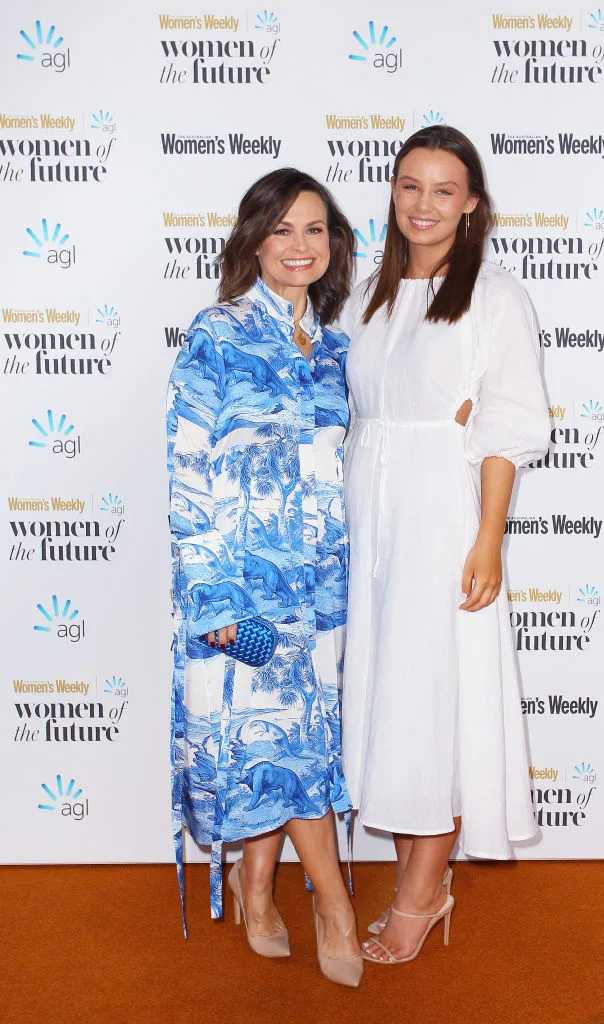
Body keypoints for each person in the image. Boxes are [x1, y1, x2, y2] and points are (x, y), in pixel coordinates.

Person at [339, 126, 550, 965]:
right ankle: (419, 885)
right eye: (406, 186)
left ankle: (420, 897)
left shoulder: (493, 296)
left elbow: (507, 423)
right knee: (394, 702)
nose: (421, 204)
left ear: (470, 203)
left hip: (442, 516)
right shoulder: (366, 293)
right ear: (391, 193)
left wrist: (488, 538)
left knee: (435, 701)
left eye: (441, 189)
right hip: (369, 514)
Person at [167, 168, 362, 987]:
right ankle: (335, 904)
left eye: (314, 229)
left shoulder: (336, 346)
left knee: (293, 739)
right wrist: (210, 599)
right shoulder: (216, 332)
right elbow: (185, 468)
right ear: (252, 240)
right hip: (240, 584)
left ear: (334, 244)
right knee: (280, 743)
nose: (298, 246)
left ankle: (255, 887)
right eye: (280, 229)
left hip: (320, 588)